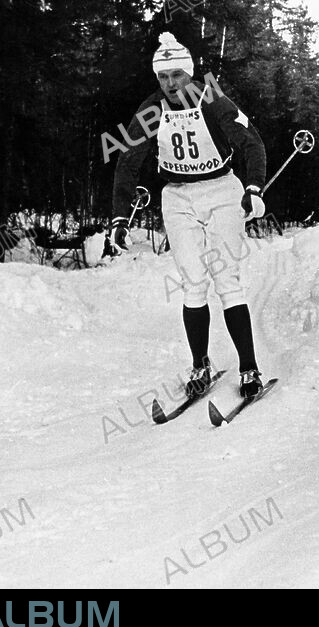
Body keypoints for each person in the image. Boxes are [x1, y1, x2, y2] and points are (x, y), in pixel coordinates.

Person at [110, 32, 269, 399]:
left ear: (189, 73)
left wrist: (255, 188)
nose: (170, 85)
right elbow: (128, 160)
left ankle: (249, 368)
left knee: (226, 278)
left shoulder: (211, 97)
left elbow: (251, 141)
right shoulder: (152, 109)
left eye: (177, 76)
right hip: (178, 195)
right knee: (193, 282)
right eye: (163, 78)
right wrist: (120, 218)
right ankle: (201, 363)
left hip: (221, 189)